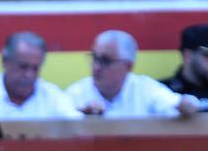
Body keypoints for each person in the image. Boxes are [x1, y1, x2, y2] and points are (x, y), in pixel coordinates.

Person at [66, 30, 197, 118]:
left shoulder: (145, 88)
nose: (96, 67)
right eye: (94, 58)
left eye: (105, 61)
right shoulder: (76, 94)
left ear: (128, 66)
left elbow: (181, 103)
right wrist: (80, 116)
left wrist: (186, 105)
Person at [0, 32, 81, 121]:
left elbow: (77, 128)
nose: (29, 75)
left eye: (35, 68)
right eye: (23, 67)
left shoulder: (53, 98)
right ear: (5, 61)